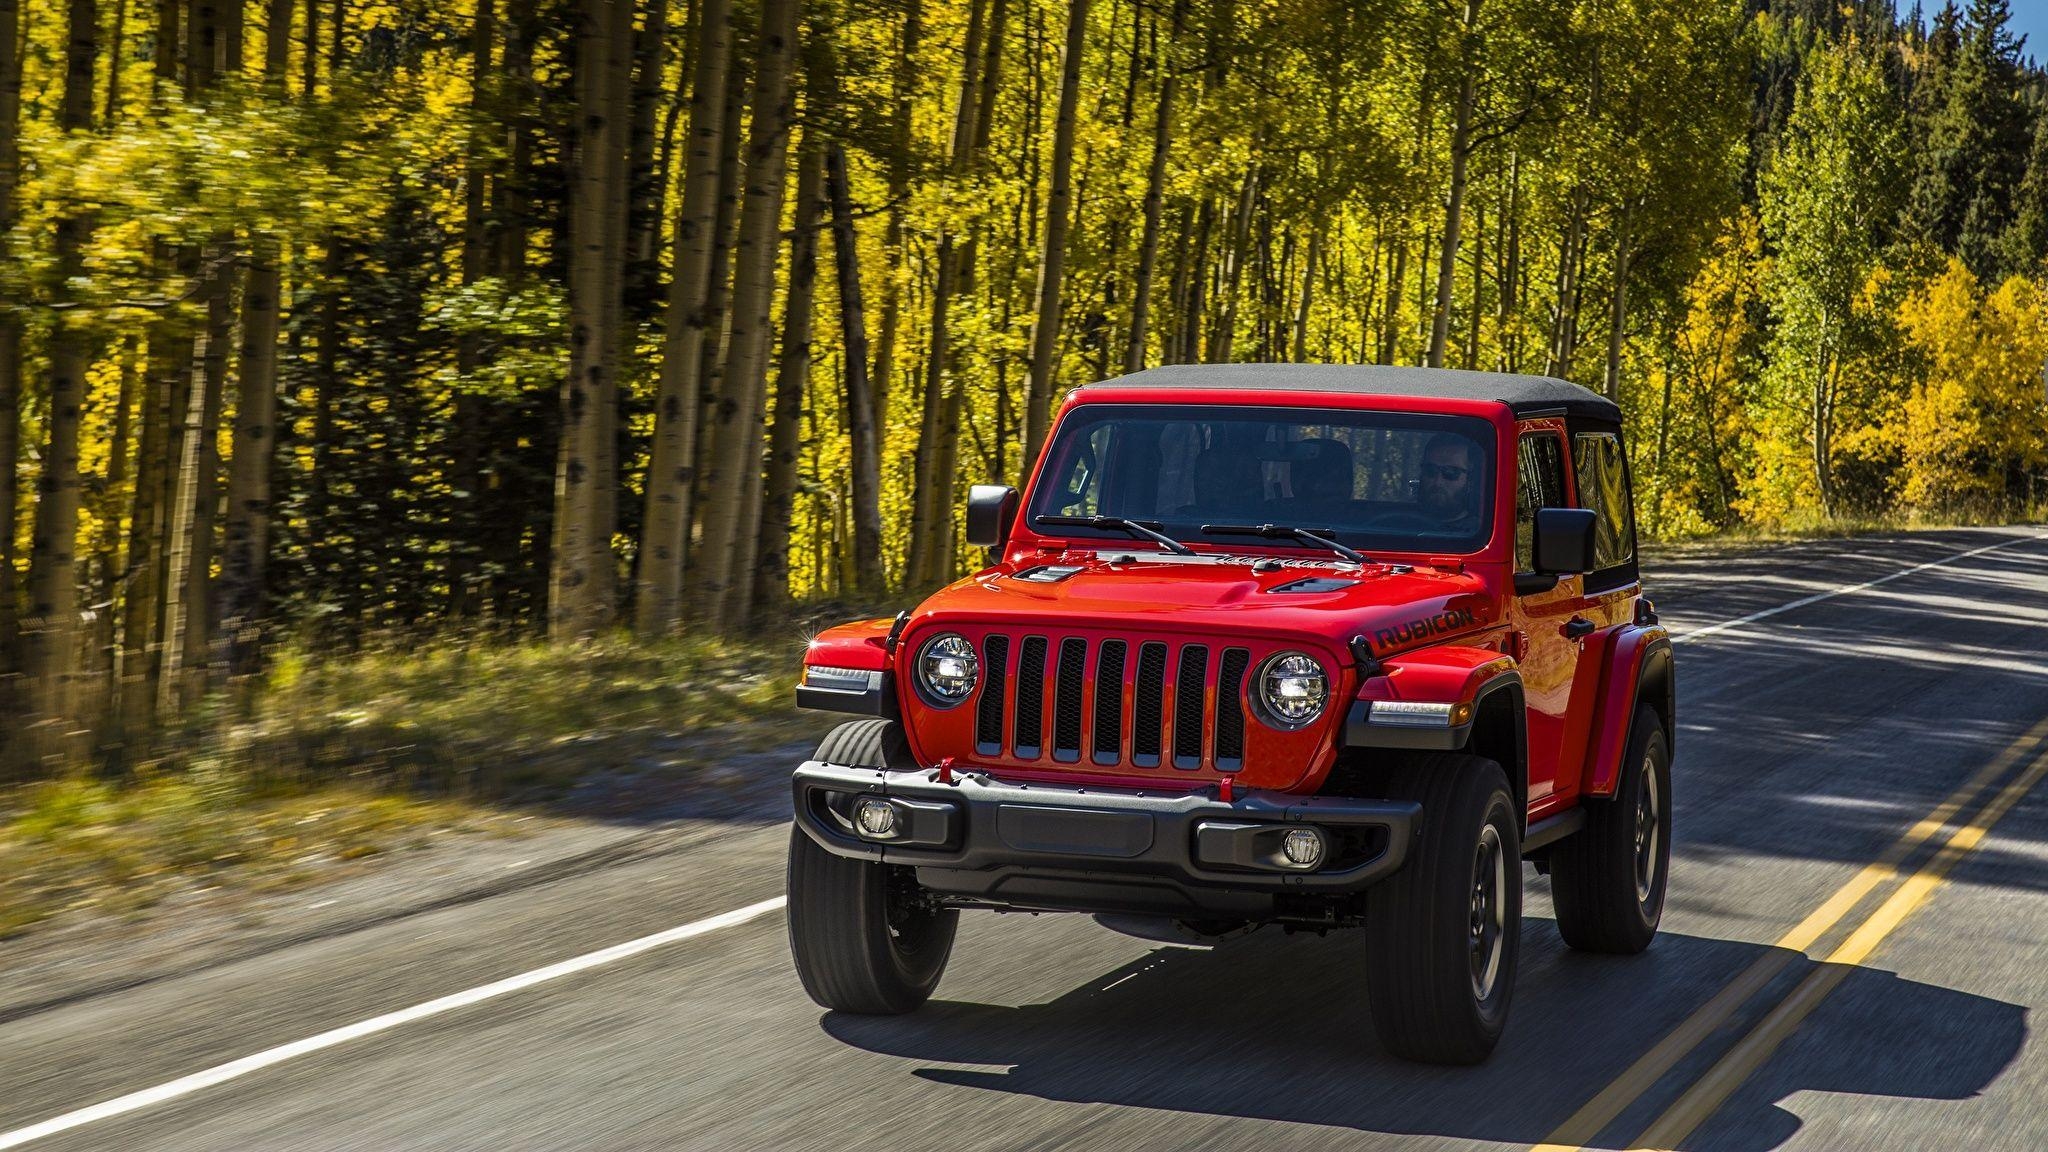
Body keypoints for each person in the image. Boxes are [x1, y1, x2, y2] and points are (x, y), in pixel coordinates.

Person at [1419, 433, 1481, 532]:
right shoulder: (1400, 523)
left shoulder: (1480, 534)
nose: (1438, 482)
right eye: (1430, 470)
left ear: (1470, 480)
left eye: (1451, 473)